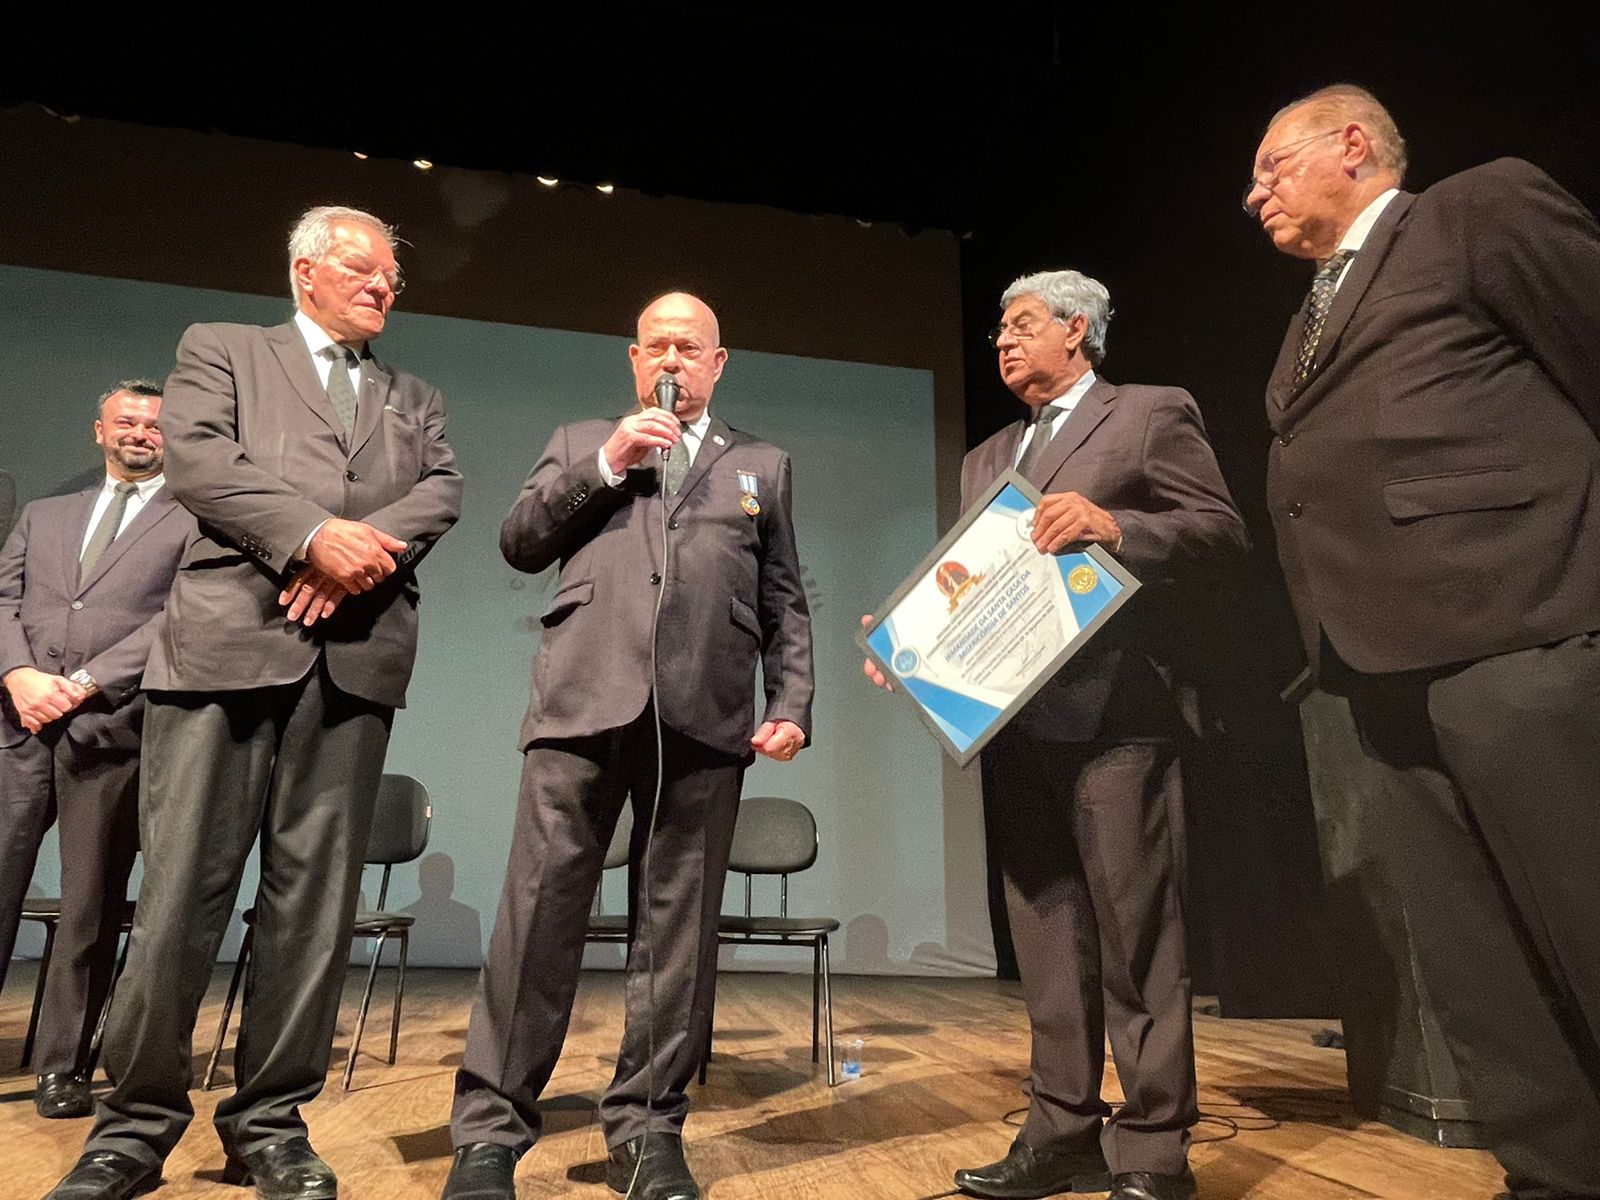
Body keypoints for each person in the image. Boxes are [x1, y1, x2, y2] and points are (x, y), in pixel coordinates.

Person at [46, 205, 463, 1200]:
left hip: (353, 661)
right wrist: (313, 538)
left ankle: (269, 1126)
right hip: (225, 651)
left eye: (393, 276)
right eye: (362, 268)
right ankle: (133, 1128)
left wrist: (353, 564)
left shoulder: (414, 395)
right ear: (306, 270)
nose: (383, 285)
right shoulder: (224, 349)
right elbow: (199, 459)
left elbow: (440, 490)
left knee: (312, 909)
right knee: (180, 892)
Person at [1244, 83, 1600, 1200]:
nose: (1253, 194)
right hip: (1381, 673)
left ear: (1352, 144)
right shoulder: (1310, 313)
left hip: (1522, 632)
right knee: (1480, 969)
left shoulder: (1477, 210)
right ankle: (1553, 1176)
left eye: (1270, 166)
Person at [867, 270, 1247, 1200]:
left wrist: (1116, 524)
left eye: (1022, 323)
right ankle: (1060, 1132)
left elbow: (1220, 531)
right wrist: (912, 647)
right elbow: (974, 583)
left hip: (1121, 716)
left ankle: (1153, 1146)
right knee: (1045, 939)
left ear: (1077, 330)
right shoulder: (987, 455)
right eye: (999, 328)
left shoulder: (1149, 413)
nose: (1002, 339)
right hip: (1013, 722)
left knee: (1137, 935)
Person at [442, 292, 814, 1200]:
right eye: (657, 346)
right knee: (537, 917)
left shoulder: (761, 464)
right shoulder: (583, 442)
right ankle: (489, 1135)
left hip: (706, 713)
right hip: (581, 704)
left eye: (689, 346)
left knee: (677, 933)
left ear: (719, 362)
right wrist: (610, 462)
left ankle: (648, 1131)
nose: (672, 359)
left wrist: (792, 700)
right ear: (634, 358)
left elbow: (784, 597)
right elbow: (520, 543)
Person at [0, 381, 192, 1119]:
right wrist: (18, 675)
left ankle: (62, 1065)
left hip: (109, 729)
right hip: (18, 723)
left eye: (154, 425)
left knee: (88, 906)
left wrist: (83, 683)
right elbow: (2, 601)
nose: (140, 433)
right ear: (100, 431)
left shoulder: (192, 520)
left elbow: (177, 618)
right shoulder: (43, 515)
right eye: (126, 421)